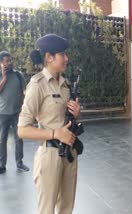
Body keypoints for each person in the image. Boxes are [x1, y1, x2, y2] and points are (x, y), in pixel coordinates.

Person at [17, 34, 81, 214]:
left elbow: (67, 118)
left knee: (66, 207)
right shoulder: (37, 85)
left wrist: (76, 112)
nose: (67, 58)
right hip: (50, 154)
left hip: (70, 152)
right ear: (49, 57)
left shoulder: (66, 84)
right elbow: (22, 130)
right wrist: (55, 134)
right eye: (62, 54)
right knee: (47, 210)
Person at [0, 51, 29, 174]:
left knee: (19, 138)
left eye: (10, 60)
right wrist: (4, 78)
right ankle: (2, 164)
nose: (9, 63)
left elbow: (24, 91)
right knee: (2, 139)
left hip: (17, 112)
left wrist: (24, 106)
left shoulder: (18, 74)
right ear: (1, 63)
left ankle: (19, 162)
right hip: (2, 113)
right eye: (6, 61)